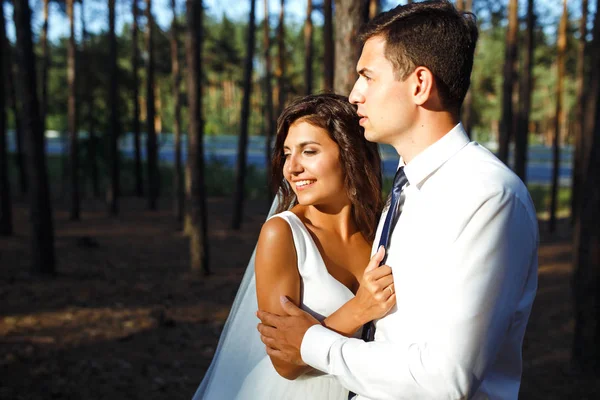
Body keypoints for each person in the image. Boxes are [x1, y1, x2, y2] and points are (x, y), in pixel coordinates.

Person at [256, 1, 539, 399]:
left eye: (367, 77)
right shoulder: (405, 191)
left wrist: (312, 342)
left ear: (419, 84)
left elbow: (445, 379)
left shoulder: (486, 197)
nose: (354, 95)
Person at [193, 93, 396, 400]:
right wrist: (359, 308)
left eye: (309, 151)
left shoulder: (379, 232)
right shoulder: (282, 234)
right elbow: (285, 362)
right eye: (287, 154)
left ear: (350, 153)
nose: (292, 168)